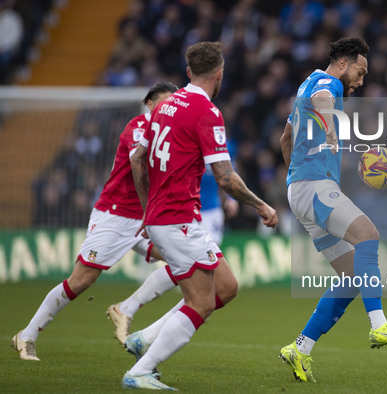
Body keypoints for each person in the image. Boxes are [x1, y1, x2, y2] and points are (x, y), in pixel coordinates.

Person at [122, 41, 278, 390]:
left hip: (170, 218)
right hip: (177, 220)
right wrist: (262, 205)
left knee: (226, 287)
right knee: (202, 302)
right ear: (219, 74)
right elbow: (225, 178)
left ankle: (144, 338)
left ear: (189, 71)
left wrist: (147, 208)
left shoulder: (164, 105)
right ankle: (141, 370)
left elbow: (136, 158)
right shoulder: (207, 113)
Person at [11, 82, 179, 361]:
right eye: (164, 103)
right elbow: (143, 161)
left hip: (144, 218)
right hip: (116, 216)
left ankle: (125, 309)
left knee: (183, 260)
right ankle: (26, 335)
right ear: (150, 104)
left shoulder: (169, 134)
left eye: (172, 105)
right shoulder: (139, 127)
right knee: (80, 281)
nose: (168, 109)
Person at [278, 37, 387, 383]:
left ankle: (300, 348)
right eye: (360, 71)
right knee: (368, 235)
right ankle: (379, 325)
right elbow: (325, 100)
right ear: (343, 62)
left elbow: (285, 140)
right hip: (315, 187)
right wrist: (328, 128)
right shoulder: (328, 84)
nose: (361, 80)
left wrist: (295, 182)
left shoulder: (304, 84)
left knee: (352, 277)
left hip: (301, 189)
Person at [106, 157, 238, 345]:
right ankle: (136, 313)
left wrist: (231, 198)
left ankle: (134, 313)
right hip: (171, 212)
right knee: (195, 264)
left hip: (200, 211)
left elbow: (226, 170)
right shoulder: (160, 135)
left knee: (200, 265)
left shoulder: (216, 141)